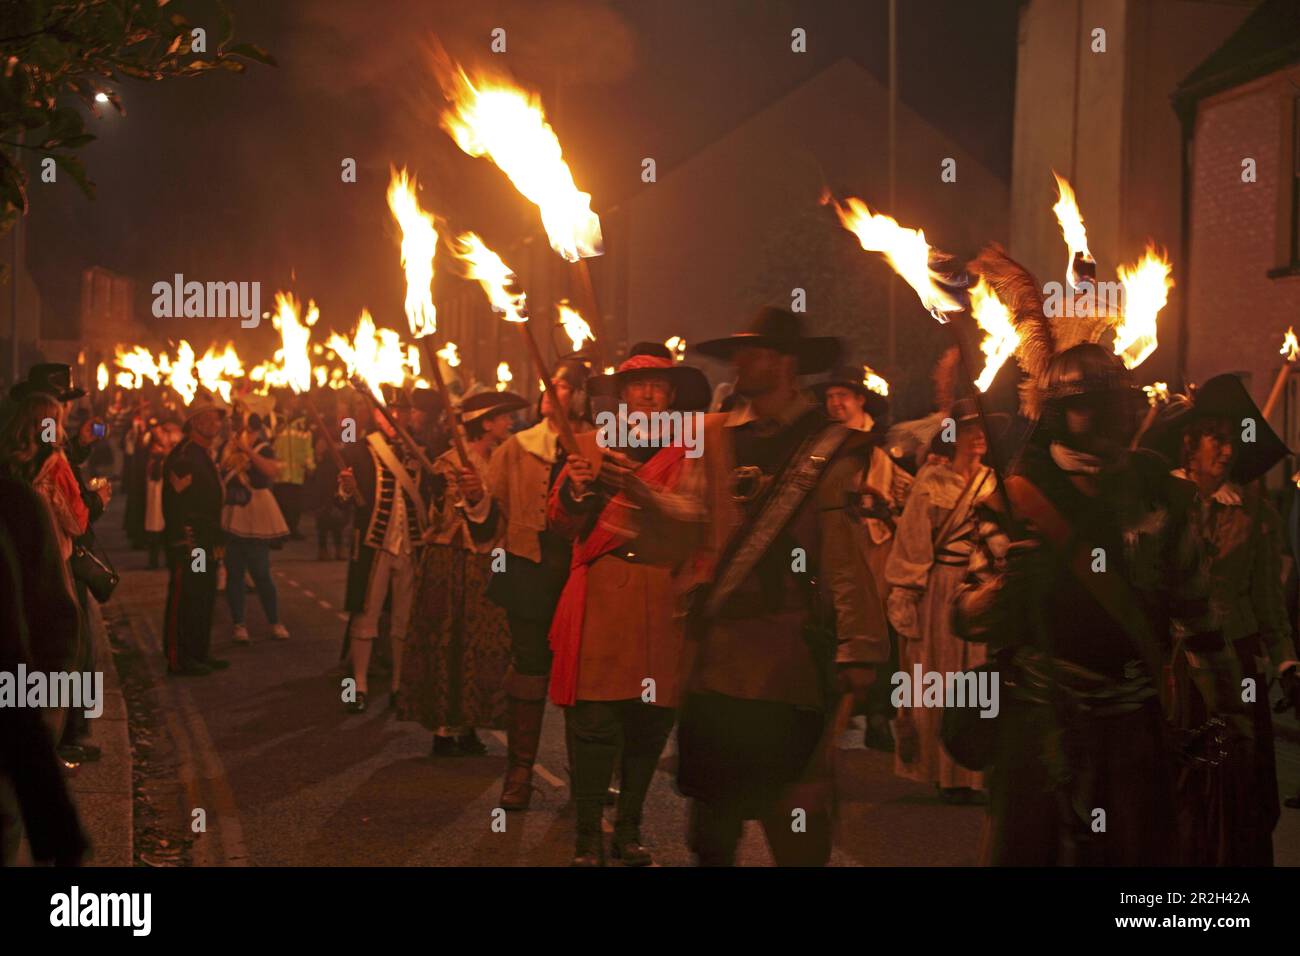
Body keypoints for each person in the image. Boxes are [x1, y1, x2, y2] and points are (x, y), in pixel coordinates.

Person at [954, 343, 1206, 866]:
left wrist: (1226, 708)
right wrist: (1007, 587)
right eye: (1087, 404)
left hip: (1136, 714)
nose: (1108, 417)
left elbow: (1198, 606)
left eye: (1113, 403)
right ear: (1055, 414)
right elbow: (965, 615)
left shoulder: (1158, 489)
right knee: (1028, 852)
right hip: (1040, 713)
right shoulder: (1014, 495)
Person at [673, 307, 889, 866]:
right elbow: (687, 523)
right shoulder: (713, 437)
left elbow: (843, 556)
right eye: (739, 353)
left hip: (789, 662)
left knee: (796, 831)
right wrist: (621, 488)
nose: (741, 363)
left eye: (756, 352)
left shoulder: (833, 446)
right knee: (712, 835)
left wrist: (860, 647)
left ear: (788, 364)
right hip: (717, 662)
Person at [547, 352, 712, 865]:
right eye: (637, 385)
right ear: (621, 396)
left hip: (663, 592)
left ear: (671, 395)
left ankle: (629, 832)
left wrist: (642, 492)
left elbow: (701, 521)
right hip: (605, 589)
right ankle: (587, 838)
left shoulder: (694, 450)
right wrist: (578, 488)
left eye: (657, 385)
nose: (647, 394)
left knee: (648, 722)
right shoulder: (590, 445)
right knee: (596, 722)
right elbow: (559, 524)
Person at [1148, 374, 1298, 864]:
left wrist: (1287, 663)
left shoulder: (1253, 514)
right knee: (1180, 783)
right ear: (1190, 445)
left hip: (1239, 663)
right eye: (1217, 437)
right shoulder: (1162, 506)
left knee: (1239, 781)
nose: (1228, 449)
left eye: (1233, 439)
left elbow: (1268, 603)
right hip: (1179, 668)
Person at [467, 359, 591, 811]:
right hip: (529, 571)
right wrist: (474, 500)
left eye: (558, 384)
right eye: (548, 383)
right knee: (529, 670)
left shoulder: (598, 443)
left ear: (578, 395)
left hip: (582, 575)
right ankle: (518, 775)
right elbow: (490, 519)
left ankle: (587, 779)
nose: (547, 390)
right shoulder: (518, 446)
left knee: (583, 678)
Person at [400, 390, 528, 756]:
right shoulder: (448, 463)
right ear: (486, 422)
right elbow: (438, 517)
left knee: (481, 644)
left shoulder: (502, 458)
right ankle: (443, 729)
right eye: (503, 418)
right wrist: (464, 497)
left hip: (490, 562)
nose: (509, 423)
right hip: (451, 561)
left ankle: (470, 723)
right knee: (448, 639)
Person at [885, 395, 993, 802]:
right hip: (941, 589)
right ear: (954, 435)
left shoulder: (993, 481)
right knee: (938, 679)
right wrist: (906, 591)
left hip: (980, 590)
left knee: (977, 680)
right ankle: (939, 769)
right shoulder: (931, 482)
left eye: (982, 428)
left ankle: (972, 772)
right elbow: (912, 541)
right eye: (970, 429)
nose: (980, 435)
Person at [815, 364, 912, 752]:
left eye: (844, 396)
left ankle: (877, 716)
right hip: (833, 548)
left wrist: (888, 507)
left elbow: (907, 495)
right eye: (830, 397)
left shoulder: (880, 450)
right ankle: (832, 715)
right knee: (833, 630)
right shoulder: (820, 445)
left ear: (859, 400)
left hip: (875, 552)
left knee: (878, 632)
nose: (836, 403)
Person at [338, 388, 434, 714]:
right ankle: (359, 686)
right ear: (378, 415)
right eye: (388, 410)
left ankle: (398, 686)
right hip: (373, 544)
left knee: (404, 620)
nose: (395, 416)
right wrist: (347, 490)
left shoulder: (421, 451)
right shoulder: (361, 450)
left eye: (401, 411)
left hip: (411, 545)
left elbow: (432, 495)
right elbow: (341, 496)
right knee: (366, 615)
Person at [162, 389, 230, 676]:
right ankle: (180, 657)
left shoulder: (204, 454)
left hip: (207, 539)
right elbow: (177, 503)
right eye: (210, 417)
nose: (216, 422)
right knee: (188, 595)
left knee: (204, 595)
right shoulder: (185, 456)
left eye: (217, 418)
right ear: (195, 422)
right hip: (191, 541)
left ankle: (199, 651)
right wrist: (184, 540)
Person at [221, 403, 290, 644]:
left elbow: (271, 472)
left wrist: (247, 451)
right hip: (232, 513)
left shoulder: (263, 448)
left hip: (257, 514)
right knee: (234, 573)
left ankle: (275, 621)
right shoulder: (226, 448)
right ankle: (239, 624)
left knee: (261, 572)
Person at [271, 400, 315, 541]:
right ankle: (281, 532)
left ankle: (293, 529)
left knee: (295, 503)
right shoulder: (275, 420)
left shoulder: (302, 423)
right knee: (281, 502)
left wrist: (310, 465)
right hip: (280, 472)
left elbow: (307, 444)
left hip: (297, 471)